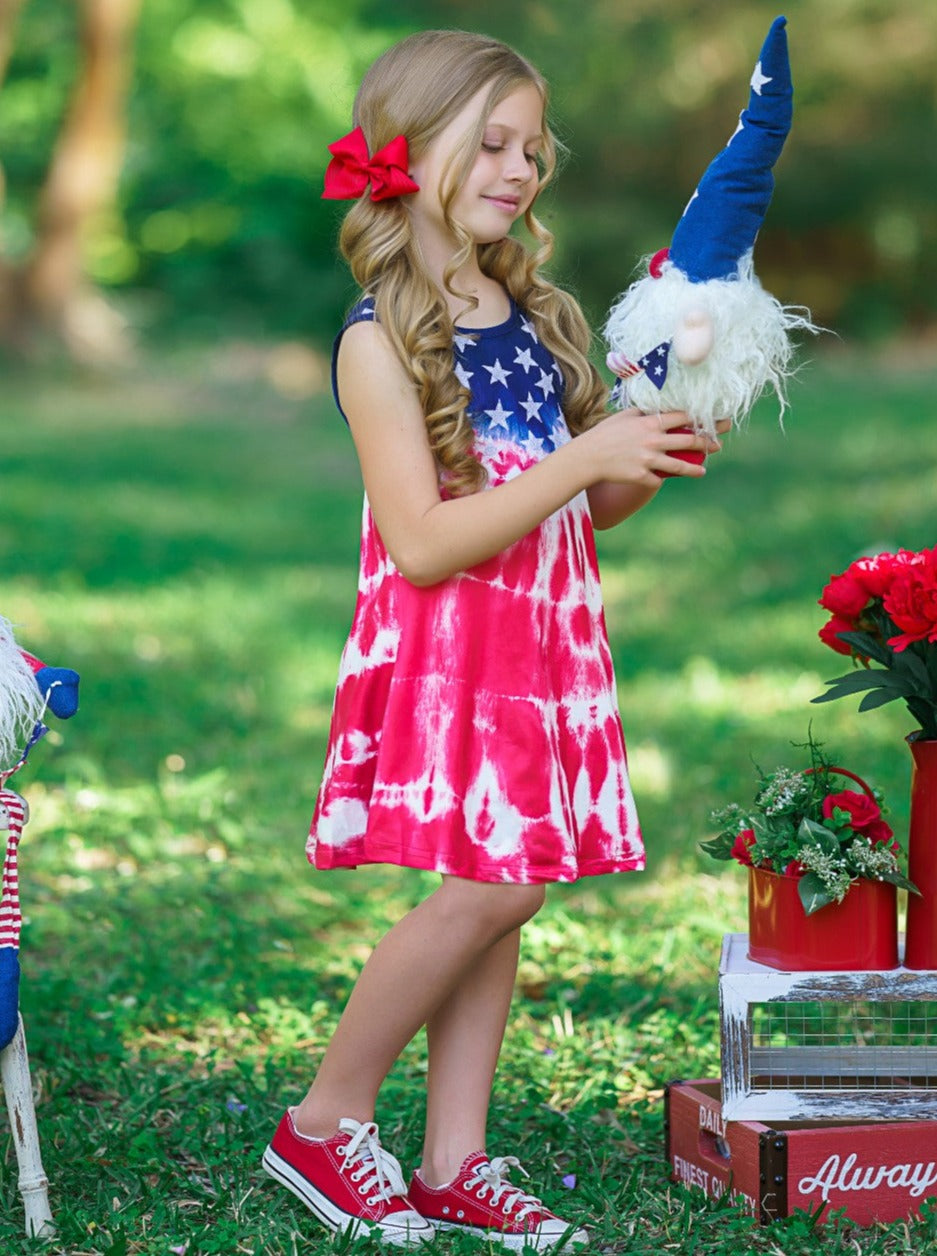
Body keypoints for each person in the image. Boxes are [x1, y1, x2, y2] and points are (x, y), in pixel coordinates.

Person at [262, 28, 724, 1251]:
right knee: (495, 879)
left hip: (540, 648)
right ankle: (323, 1116)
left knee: (502, 897)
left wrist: (648, 446)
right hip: (452, 651)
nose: (522, 168)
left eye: (534, 147)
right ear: (410, 153)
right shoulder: (377, 339)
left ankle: (453, 1155)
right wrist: (583, 455)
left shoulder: (529, 311)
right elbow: (419, 541)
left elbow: (586, 502)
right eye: (495, 142)